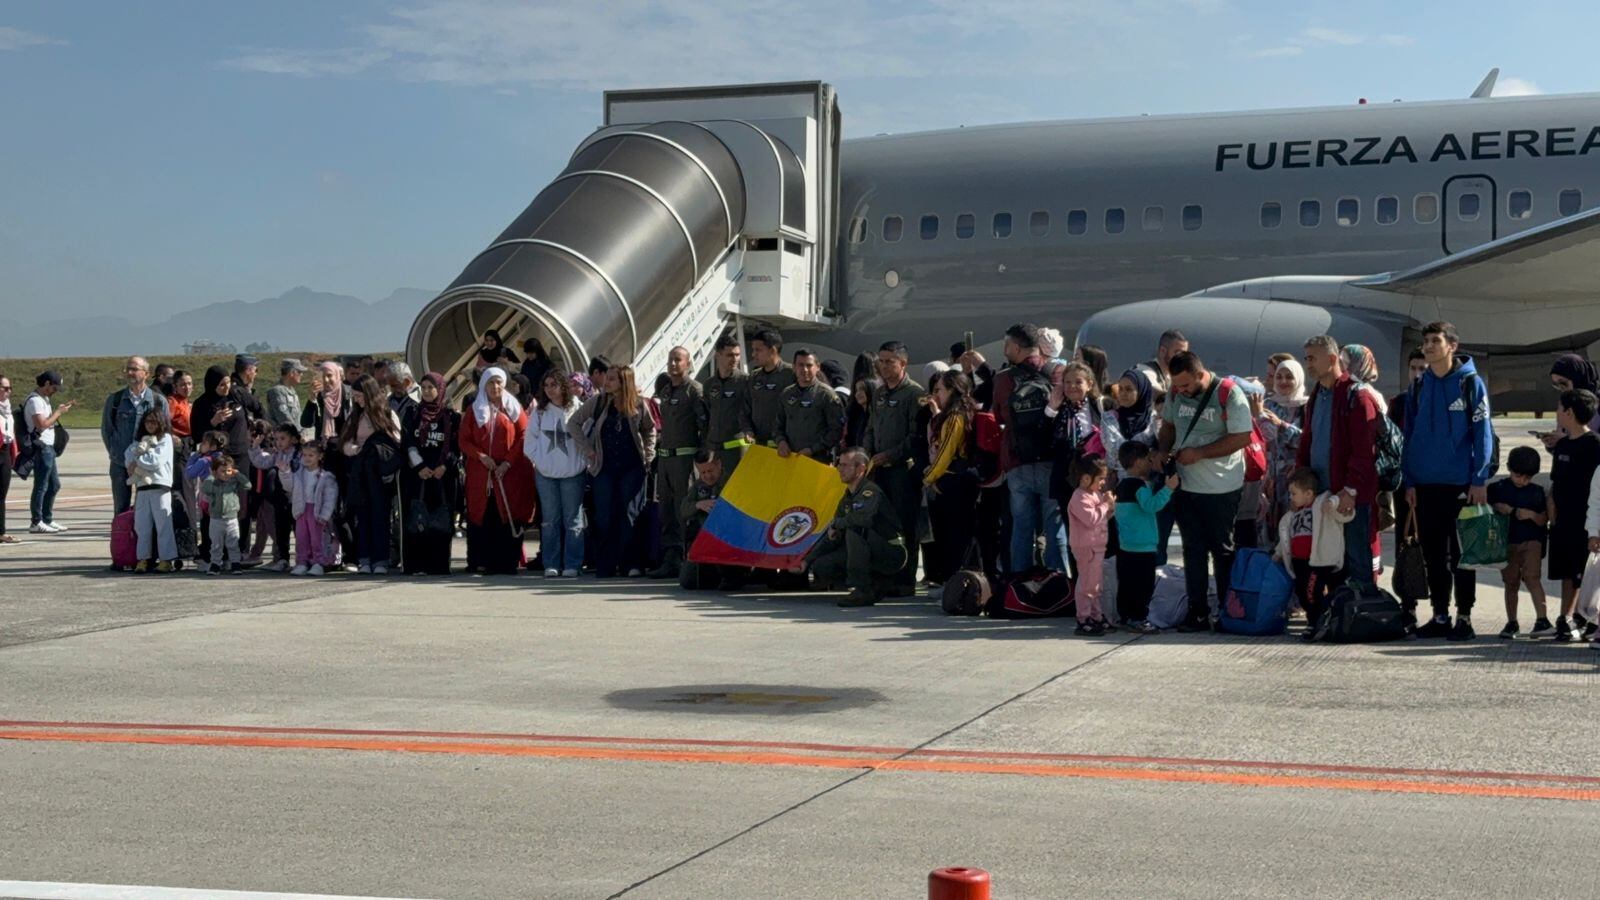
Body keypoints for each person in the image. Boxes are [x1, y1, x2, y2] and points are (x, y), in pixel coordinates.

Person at [1402, 321, 1495, 641]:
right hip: (1425, 485)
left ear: (1451, 346)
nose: (1428, 346)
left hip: (1460, 485)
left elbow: (1483, 434)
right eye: (1426, 341)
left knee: (1462, 556)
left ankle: (1464, 617)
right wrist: (1409, 480)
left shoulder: (1470, 384)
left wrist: (1479, 478)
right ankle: (1440, 615)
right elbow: (1409, 434)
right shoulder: (1418, 385)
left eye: (1435, 341)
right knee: (1433, 555)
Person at [1158, 351, 1253, 631]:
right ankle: (1197, 612)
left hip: (1222, 487)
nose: (1182, 391)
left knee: (1222, 551)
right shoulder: (1175, 394)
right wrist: (1163, 452)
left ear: (1200, 375)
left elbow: (1242, 437)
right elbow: (1168, 427)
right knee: (1193, 550)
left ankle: (1226, 612)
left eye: (1186, 385)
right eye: (1177, 386)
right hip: (1186, 486)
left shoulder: (1229, 393)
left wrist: (1200, 453)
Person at [1297, 335, 1382, 587]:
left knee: (1357, 562)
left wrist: (1351, 490)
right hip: (1323, 495)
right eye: (1306, 358)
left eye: (1313, 358)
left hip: (1350, 498)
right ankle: (1336, 618)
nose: (1308, 364)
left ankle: (1361, 615)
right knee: (1330, 564)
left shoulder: (1358, 396)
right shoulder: (1317, 395)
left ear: (1332, 359)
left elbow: (1365, 451)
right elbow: (1308, 439)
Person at [570, 364, 658, 579]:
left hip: (632, 467)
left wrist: (648, 455)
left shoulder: (638, 404)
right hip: (604, 468)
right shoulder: (598, 402)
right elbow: (573, 423)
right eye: (607, 378)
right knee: (605, 516)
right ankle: (606, 564)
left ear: (623, 382)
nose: (606, 382)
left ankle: (632, 564)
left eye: (612, 379)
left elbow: (649, 429)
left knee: (630, 514)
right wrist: (588, 450)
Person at [992, 324, 1065, 573]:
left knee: (1021, 529)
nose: (1004, 349)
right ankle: (1059, 585)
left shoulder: (1003, 379)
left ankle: (1020, 586)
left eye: (1006, 345)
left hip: (1017, 462)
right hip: (1051, 461)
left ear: (1017, 347)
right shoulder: (1057, 372)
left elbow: (999, 417)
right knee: (1054, 527)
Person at [807, 447, 907, 607]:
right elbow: (832, 534)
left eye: (845, 465)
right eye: (839, 464)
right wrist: (807, 561)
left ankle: (862, 589)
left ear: (861, 469)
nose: (840, 469)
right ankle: (873, 584)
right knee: (823, 566)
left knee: (854, 528)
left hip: (890, 552)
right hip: (868, 550)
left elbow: (862, 519)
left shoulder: (870, 491)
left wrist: (836, 524)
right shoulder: (846, 497)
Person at [865, 341, 926, 595]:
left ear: (903, 363)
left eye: (890, 361)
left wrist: (889, 455)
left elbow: (915, 437)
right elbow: (871, 427)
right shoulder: (879, 393)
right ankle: (885, 576)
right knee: (882, 524)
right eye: (881, 360)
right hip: (879, 470)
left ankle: (905, 580)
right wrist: (866, 454)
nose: (883, 365)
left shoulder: (914, 393)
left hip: (903, 470)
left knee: (905, 525)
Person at [459, 368, 534, 576]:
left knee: (507, 514)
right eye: (491, 383)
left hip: (508, 473)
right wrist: (480, 456)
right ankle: (481, 561)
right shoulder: (475, 410)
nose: (495, 387)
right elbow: (463, 439)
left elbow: (524, 435)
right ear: (484, 385)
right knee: (483, 515)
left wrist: (507, 462)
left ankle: (506, 562)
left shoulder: (514, 408)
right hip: (482, 473)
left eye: (499, 383)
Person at [1546, 389, 1600, 641]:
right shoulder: (1563, 446)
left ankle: (1579, 617)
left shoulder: (1594, 445)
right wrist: (1552, 509)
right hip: (1563, 520)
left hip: (1585, 521)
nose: (1557, 412)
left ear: (1569, 412)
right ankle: (1566, 617)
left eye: (1559, 408)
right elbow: (1556, 481)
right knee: (1566, 571)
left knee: (1584, 572)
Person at [647, 346, 706, 577]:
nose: (673, 364)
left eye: (678, 360)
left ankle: (688, 561)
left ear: (688, 363)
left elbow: (704, 426)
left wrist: (702, 458)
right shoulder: (666, 390)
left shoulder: (695, 391)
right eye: (670, 360)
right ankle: (670, 560)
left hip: (685, 459)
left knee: (685, 511)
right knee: (666, 511)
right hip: (666, 460)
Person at [1273, 468, 1354, 636]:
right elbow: (1286, 536)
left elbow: (1346, 517)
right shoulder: (1293, 515)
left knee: (1312, 591)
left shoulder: (1321, 507)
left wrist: (1334, 503)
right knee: (1301, 592)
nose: (1291, 497)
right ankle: (1319, 617)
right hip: (1299, 562)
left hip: (1318, 562)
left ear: (1308, 494)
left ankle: (1316, 619)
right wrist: (1279, 552)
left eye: (1294, 494)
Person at [525, 368, 587, 578]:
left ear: (563, 386)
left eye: (554, 384)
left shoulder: (578, 408)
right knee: (550, 521)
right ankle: (551, 563)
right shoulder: (540, 412)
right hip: (546, 475)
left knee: (573, 521)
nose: (550, 389)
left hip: (573, 474)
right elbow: (529, 441)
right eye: (546, 385)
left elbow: (587, 438)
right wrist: (540, 462)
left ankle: (573, 563)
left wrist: (581, 463)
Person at [340, 375, 403, 575]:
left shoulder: (386, 414)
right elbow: (345, 442)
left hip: (379, 473)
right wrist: (355, 449)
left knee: (380, 516)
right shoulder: (355, 416)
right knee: (363, 516)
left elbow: (398, 441)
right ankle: (364, 558)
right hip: (360, 472)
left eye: (360, 396)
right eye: (355, 396)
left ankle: (381, 559)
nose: (357, 400)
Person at [921, 370, 978, 586]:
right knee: (956, 536)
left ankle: (955, 583)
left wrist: (930, 477)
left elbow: (946, 452)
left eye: (941, 390)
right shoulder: (961, 412)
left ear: (952, 390)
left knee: (954, 537)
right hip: (958, 481)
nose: (937, 395)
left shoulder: (955, 416)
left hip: (954, 481)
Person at [1488, 446, 1551, 639]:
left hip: (1531, 541)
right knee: (1511, 582)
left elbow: (1544, 519)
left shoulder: (1538, 492)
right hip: (1507, 542)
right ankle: (1512, 621)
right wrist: (1497, 507)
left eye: (1527, 478)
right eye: (1518, 476)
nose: (1522, 481)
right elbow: (1485, 509)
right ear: (1509, 469)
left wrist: (1532, 515)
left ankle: (1542, 619)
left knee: (1532, 577)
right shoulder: (1498, 489)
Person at [1114, 441, 1176, 633]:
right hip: (1143, 547)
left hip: (1126, 546)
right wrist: (1169, 489)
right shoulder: (1138, 485)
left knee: (1126, 584)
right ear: (1139, 462)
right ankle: (1138, 618)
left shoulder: (1122, 485)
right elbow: (1151, 506)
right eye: (1148, 460)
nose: (1151, 463)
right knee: (1143, 586)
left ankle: (1125, 616)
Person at [400, 372, 458, 576]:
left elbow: (454, 446)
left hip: (442, 477)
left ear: (439, 389)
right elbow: (407, 443)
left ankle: (439, 565)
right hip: (418, 476)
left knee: (440, 521)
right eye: (423, 387)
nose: (426, 391)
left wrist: (444, 466)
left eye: (431, 388)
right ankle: (416, 565)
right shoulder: (412, 413)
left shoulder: (450, 416)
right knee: (416, 520)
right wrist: (420, 467)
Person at [100, 356, 170, 515]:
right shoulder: (115, 400)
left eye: (134, 369)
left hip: (147, 466)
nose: (130, 372)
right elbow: (107, 430)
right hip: (120, 464)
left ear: (146, 373)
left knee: (146, 510)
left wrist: (147, 459)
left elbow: (164, 434)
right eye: (127, 369)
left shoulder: (158, 401)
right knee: (120, 509)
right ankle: (122, 538)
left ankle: (143, 540)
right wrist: (117, 454)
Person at [1256, 358, 1306, 547]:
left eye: (1289, 377)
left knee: (1292, 533)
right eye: (1279, 377)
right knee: (1266, 531)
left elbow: (1305, 441)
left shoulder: (1305, 407)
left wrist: (1281, 425)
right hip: (1268, 480)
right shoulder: (1268, 404)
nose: (1283, 382)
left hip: (1293, 482)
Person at [122, 408, 176, 573]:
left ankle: (166, 559)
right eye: (147, 421)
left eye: (154, 421)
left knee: (163, 525)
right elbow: (128, 458)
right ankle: (143, 558)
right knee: (142, 525)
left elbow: (155, 461)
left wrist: (137, 461)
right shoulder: (137, 442)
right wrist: (136, 461)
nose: (150, 425)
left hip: (160, 486)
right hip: (142, 488)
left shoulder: (165, 439)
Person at [1067, 457, 1115, 635]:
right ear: (1086, 478)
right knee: (1087, 584)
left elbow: (1101, 518)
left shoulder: (1094, 495)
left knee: (1096, 584)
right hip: (1086, 547)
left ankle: (1096, 616)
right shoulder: (1079, 497)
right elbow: (1091, 519)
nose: (1103, 483)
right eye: (1100, 478)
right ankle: (1083, 618)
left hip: (1097, 546)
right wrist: (1105, 505)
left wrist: (1110, 508)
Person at [248, 423, 302, 572]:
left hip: (297, 496)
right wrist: (255, 448)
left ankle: (302, 559)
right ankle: (283, 558)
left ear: (294, 440)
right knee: (281, 528)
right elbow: (262, 463)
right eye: (276, 439)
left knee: (299, 530)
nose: (278, 442)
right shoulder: (278, 454)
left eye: (282, 439)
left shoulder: (300, 454)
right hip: (281, 497)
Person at [775, 348, 844, 463]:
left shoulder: (826, 395)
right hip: (790, 458)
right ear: (794, 367)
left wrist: (813, 449)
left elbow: (836, 430)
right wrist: (781, 442)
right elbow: (777, 425)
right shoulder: (786, 394)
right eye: (800, 365)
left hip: (818, 459)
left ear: (817, 367)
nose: (804, 369)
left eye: (809, 365)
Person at [25, 371, 72, 534]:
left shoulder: (44, 400)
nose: (55, 391)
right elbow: (41, 425)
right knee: (41, 485)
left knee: (54, 485)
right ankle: (36, 521)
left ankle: (46, 519)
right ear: (45, 384)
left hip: (49, 449)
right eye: (54, 387)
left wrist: (59, 411)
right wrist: (58, 413)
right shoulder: (34, 401)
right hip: (41, 447)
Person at [702, 334, 752, 485]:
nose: (735, 359)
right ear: (718, 355)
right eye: (730, 355)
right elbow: (706, 415)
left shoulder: (745, 381)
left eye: (737, 355)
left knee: (736, 489)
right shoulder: (709, 384)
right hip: (713, 450)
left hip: (736, 450)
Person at [678, 450, 731, 589]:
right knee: (688, 581)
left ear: (719, 464)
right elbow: (684, 509)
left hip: (726, 541)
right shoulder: (698, 485)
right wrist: (698, 505)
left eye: (710, 470)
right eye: (703, 472)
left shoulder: (731, 482)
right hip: (704, 541)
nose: (707, 476)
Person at [287, 440, 339, 576]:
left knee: (318, 539)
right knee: (301, 538)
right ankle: (302, 562)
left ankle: (319, 562)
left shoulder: (326, 477)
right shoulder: (298, 473)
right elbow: (288, 486)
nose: (307, 458)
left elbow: (330, 497)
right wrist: (284, 472)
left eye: (311, 455)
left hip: (317, 512)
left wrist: (325, 515)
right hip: (301, 510)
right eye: (304, 455)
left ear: (320, 456)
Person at [200, 453, 249, 575]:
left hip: (231, 519)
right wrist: (211, 476)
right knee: (216, 544)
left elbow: (248, 485)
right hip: (216, 519)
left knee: (233, 543)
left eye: (228, 471)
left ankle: (235, 563)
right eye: (222, 471)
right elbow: (205, 489)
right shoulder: (213, 483)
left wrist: (237, 474)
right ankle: (215, 564)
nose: (226, 474)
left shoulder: (233, 482)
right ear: (216, 471)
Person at [748, 329, 797, 449]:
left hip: (785, 447)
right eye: (753, 350)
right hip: (759, 446)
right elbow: (745, 408)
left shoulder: (791, 374)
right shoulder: (754, 377)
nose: (753, 354)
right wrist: (748, 430)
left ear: (773, 350)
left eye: (758, 350)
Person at [1547, 353, 1600, 434]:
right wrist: (1555, 441)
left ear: (1578, 378)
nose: (1561, 389)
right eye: (1556, 385)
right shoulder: (1567, 402)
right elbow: (1563, 432)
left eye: (1563, 383)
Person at [1140, 329, 1189, 394]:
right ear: (1163, 351)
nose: (1182, 358)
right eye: (1178, 353)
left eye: (1184, 354)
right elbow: (1151, 389)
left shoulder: (1171, 377)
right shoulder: (1145, 371)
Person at [267, 359, 306, 431]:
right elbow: (283, 417)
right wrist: (297, 433)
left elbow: (298, 417)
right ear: (291, 373)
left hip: (294, 436)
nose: (301, 374)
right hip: (283, 437)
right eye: (299, 372)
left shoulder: (292, 391)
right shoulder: (277, 391)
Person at [845, 375, 879, 449]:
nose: (858, 393)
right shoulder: (856, 417)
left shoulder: (878, 415)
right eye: (856, 390)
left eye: (862, 389)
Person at [0, 374, 14, 544]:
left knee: (1, 495)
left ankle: (1, 531)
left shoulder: (7, 409)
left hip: (5, 451)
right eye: (4, 388)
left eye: (9, 388)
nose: (8, 391)